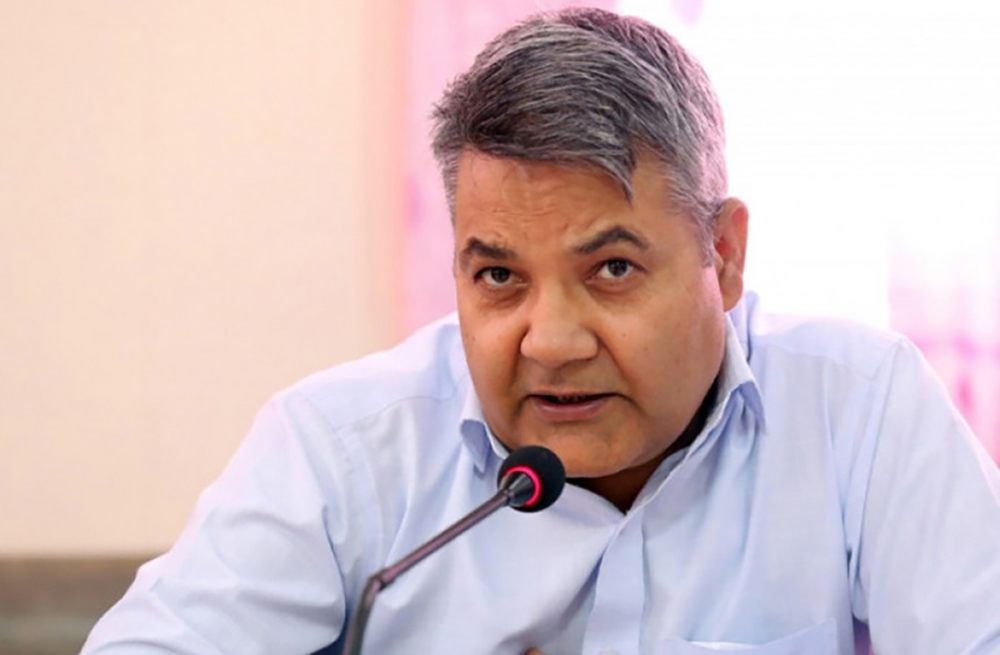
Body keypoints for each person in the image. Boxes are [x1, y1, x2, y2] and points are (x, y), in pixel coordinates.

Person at [82, 8, 1000, 655]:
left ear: (721, 255)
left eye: (612, 269)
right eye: (499, 278)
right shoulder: (343, 449)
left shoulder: (859, 406)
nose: (550, 342)